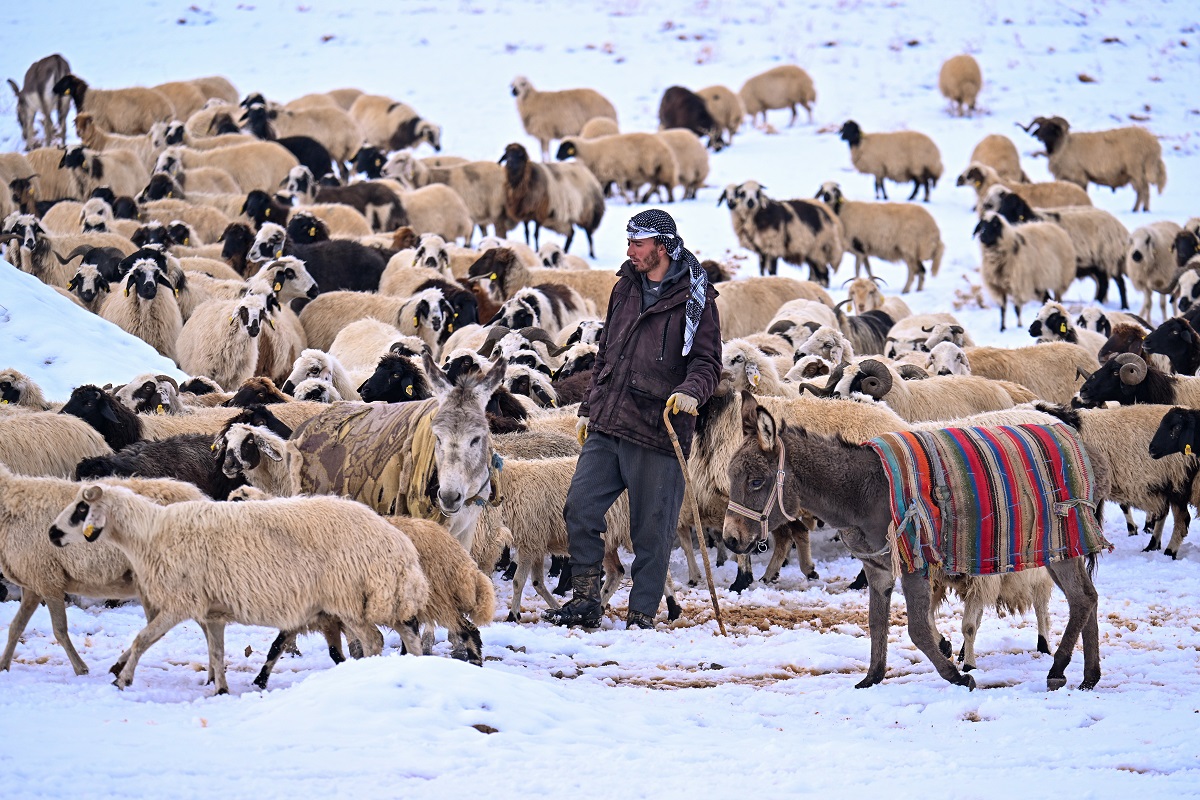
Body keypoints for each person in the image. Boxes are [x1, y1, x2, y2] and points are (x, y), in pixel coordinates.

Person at [544, 209, 722, 630]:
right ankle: (586, 601)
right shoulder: (625, 286)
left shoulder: (696, 297)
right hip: (609, 421)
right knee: (580, 509)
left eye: (637, 244)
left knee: (652, 532)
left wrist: (690, 391)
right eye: (628, 243)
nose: (629, 251)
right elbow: (607, 352)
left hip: (657, 426)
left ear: (661, 246)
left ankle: (641, 616)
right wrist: (589, 407)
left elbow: (707, 362)